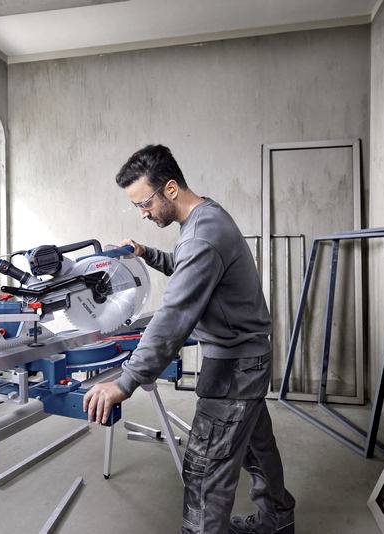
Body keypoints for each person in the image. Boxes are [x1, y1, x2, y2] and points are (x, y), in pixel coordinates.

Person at [83, 144, 295, 534]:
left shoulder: (200, 237)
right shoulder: (206, 218)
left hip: (233, 367)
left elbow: (174, 316)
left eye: (144, 203)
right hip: (248, 358)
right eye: (136, 207)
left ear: (171, 189)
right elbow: (188, 266)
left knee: (204, 470)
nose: (142, 213)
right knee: (255, 447)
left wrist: (126, 381)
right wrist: (146, 253)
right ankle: (277, 520)